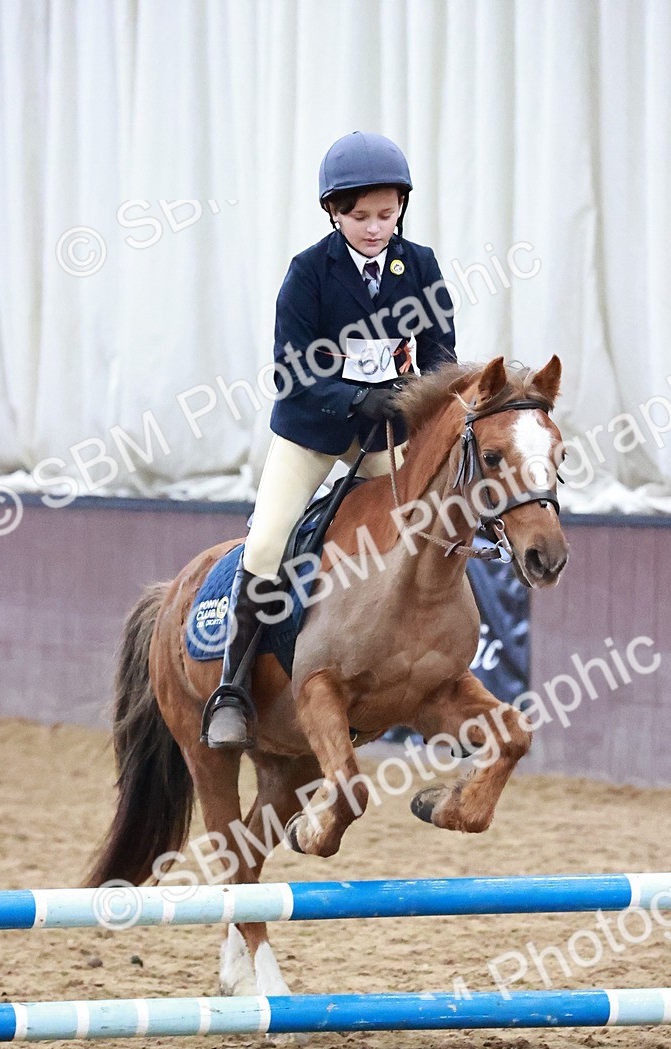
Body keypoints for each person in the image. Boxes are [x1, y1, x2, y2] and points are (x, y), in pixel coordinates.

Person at [201, 130, 457, 750]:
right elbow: (291, 368)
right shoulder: (309, 273)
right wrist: (350, 398)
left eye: (386, 214)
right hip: (313, 433)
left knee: (422, 528)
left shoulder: (417, 265)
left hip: (384, 434)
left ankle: (417, 667)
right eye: (362, 217)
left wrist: (416, 399)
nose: (376, 229)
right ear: (335, 213)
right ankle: (232, 688)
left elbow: (442, 355)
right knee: (265, 544)